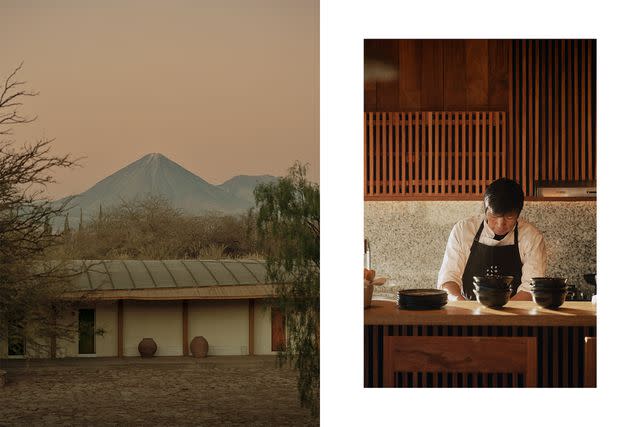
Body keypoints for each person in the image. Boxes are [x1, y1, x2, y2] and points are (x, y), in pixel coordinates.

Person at [437, 178, 546, 301]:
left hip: (516, 314)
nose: (500, 224)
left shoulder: (531, 236)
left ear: (518, 213)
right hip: (469, 312)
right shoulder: (464, 230)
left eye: (509, 217)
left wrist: (504, 316)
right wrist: (462, 306)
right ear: (485, 209)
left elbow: (531, 287)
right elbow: (448, 279)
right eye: (494, 216)